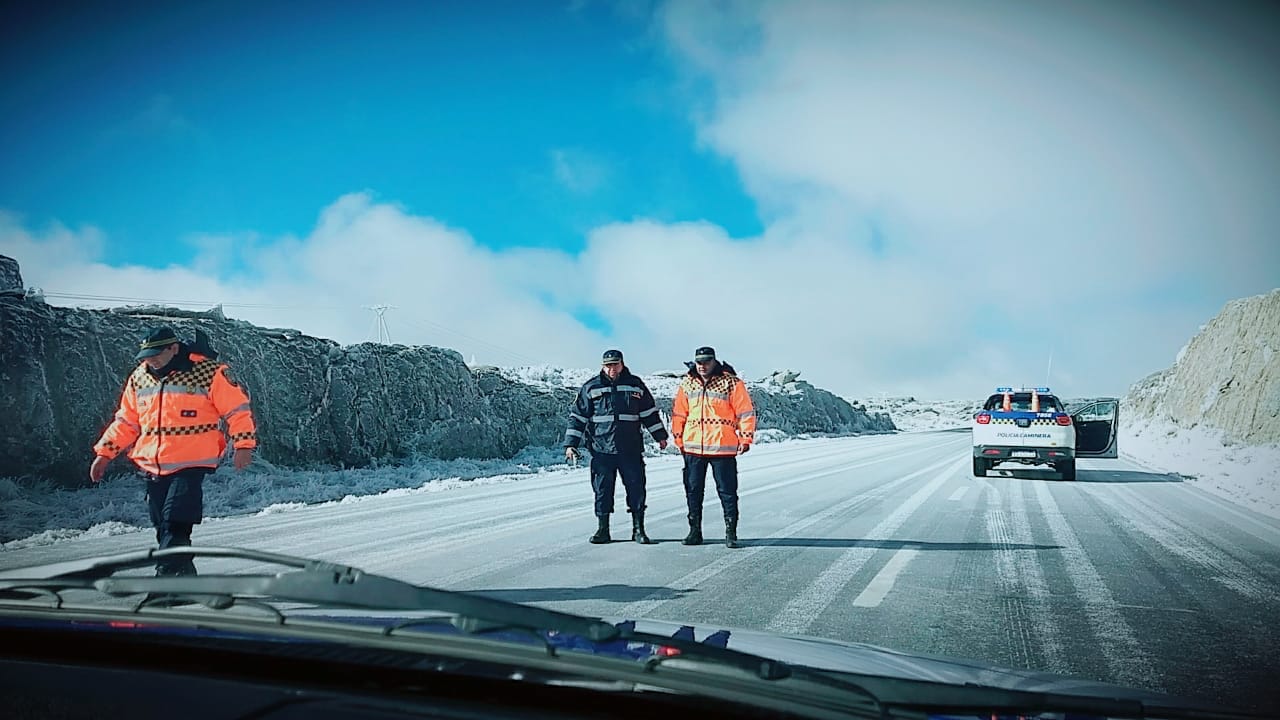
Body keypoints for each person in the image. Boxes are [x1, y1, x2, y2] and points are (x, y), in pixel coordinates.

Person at [90, 326, 257, 577]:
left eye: (157, 353)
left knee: (176, 522)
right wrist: (104, 454)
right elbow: (126, 421)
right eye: (147, 355)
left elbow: (237, 411)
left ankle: (165, 581)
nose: (152, 360)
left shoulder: (208, 373)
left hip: (192, 463)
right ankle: (185, 579)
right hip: (152, 466)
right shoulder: (139, 377)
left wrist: (243, 445)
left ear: (174, 348)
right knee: (163, 528)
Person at [564, 349, 669, 544]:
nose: (612, 368)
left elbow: (649, 413)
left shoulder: (635, 385)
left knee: (636, 488)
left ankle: (638, 530)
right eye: (608, 365)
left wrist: (660, 436)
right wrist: (571, 444)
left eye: (615, 364)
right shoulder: (591, 387)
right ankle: (603, 530)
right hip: (601, 449)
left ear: (622, 364)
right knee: (602, 490)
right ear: (602, 366)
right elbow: (578, 417)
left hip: (630, 449)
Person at [671, 346, 756, 548]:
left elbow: (745, 412)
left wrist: (746, 438)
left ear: (714, 361)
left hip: (722, 447)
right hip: (693, 448)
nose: (702, 366)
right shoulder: (687, 383)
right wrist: (678, 438)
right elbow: (679, 414)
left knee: (727, 491)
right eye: (699, 362)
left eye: (706, 362)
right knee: (693, 491)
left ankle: (731, 533)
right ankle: (694, 531)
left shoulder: (731, 382)